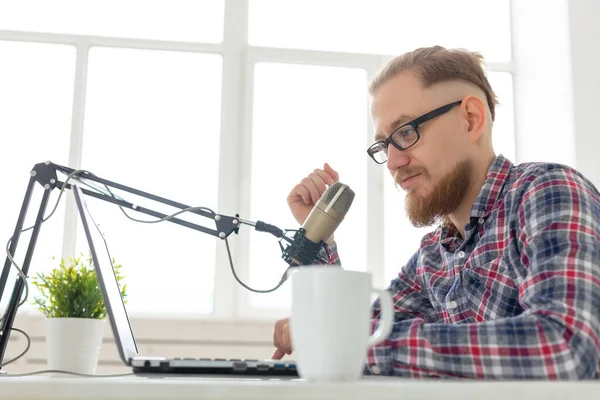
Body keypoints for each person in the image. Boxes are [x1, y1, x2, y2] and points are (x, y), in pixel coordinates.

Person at [271, 46, 600, 379]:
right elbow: (354, 336)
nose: (395, 162)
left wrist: (366, 344)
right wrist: (319, 238)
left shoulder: (547, 191)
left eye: (405, 133)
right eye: (385, 145)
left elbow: (566, 348)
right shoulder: (432, 256)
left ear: (471, 119)